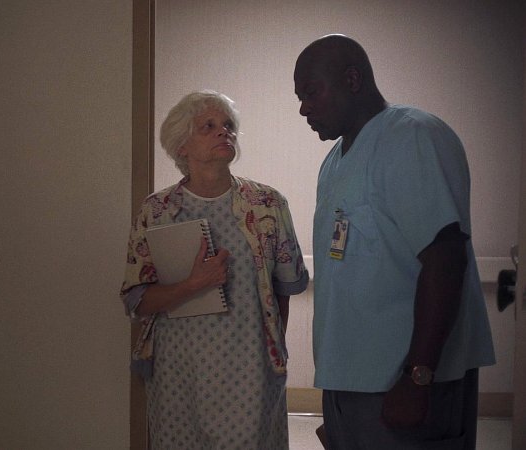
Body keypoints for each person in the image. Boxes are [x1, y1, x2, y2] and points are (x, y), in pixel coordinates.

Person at [294, 34, 496, 449]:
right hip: (353, 384)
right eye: (300, 98)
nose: (304, 108)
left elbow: (445, 257)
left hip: (406, 384)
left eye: (311, 92)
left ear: (352, 80)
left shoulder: (413, 136)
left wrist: (418, 377)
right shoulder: (335, 161)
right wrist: (338, 405)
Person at [120, 90, 309, 449]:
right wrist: (194, 284)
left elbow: (284, 290)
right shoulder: (156, 211)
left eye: (228, 125)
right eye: (208, 126)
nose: (224, 132)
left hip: (250, 370)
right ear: (182, 145)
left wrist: (272, 352)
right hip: (177, 372)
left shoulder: (267, 205)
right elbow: (136, 301)